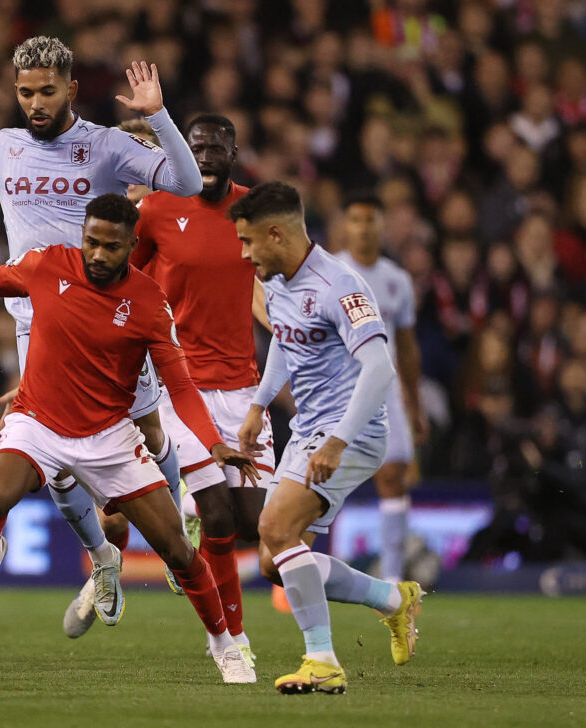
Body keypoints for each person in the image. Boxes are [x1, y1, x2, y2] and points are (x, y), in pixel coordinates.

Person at [0, 193, 260, 684]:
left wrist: (213, 443)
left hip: (109, 435)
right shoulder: (45, 264)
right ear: (81, 236)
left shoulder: (150, 302)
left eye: (111, 246)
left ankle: (225, 646)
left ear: (132, 244)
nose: (99, 255)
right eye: (91, 242)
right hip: (39, 421)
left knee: (177, 551)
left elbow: (182, 386)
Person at [0, 35, 201, 635]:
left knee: (150, 431)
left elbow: (186, 183)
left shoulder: (105, 145)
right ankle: (103, 558)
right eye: (25, 93)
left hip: (113, 318)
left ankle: (180, 534)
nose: (35, 103)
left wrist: (157, 114)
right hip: (41, 324)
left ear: (71, 89)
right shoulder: (3, 149)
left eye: (47, 91)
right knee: (58, 463)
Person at [233, 182, 423, 695]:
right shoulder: (276, 278)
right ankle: (392, 599)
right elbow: (284, 342)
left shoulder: (341, 285)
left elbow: (381, 369)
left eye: (249, 242)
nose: (245, 253)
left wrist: (338, 441)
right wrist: (257, 406)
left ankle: (321, 660)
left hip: (351, 434)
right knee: (276, 561)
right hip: (308, 431)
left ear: (277, 233)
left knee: (273, 527)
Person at [131, 114, 273, 664]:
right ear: (181, 154)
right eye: (197, 148)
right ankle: (231, 641)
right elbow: (127, 281)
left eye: (217, 146)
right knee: (217, 516)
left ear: (234, 152)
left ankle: (188, 511)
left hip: (241, 388)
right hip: (178, 386)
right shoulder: (158, 210)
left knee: (255, 527)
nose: (207, 155)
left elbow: (274, 280)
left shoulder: (254, 212)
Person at [336, 191, 427, 583]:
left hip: (386, 394)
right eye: (355, 219)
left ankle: (392, 581)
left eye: (370, 220)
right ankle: (306, 570)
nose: (363, 227)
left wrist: (415, 405)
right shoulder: (332, 272)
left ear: (381, 225)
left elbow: (406, 348)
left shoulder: (397, 281)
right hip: (338, 391)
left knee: (393, 480)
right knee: (320, 483)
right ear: (346, 225)